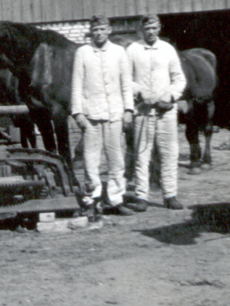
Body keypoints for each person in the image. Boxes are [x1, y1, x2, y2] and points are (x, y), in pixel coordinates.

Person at [71, 16, 135, 218]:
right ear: (91, 32)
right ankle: (93, 199)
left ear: (109, 30)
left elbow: (126, 84)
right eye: (95, 29)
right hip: (91, 116)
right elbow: (77, 85)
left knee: (116, 160)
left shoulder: (119, 52)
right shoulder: (83, 53)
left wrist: (128, 110)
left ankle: (116, 200)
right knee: (90, 160)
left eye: (102, 29)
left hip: (115, 114)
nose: (98, 33)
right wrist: (78, 113)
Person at [125, 15, 187, 211]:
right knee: (142, 154)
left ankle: (170, 195)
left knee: (169, 153)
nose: (150, 31)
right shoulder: (133, 50)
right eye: (147, 28)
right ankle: (141, 196)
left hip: (165, 112)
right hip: (143, 111)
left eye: (154, 27)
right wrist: (139, 91)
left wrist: (169, 96)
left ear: (159, 28)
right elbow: (125, 79)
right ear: (141, 30)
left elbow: (179, 79)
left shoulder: (168, 50)